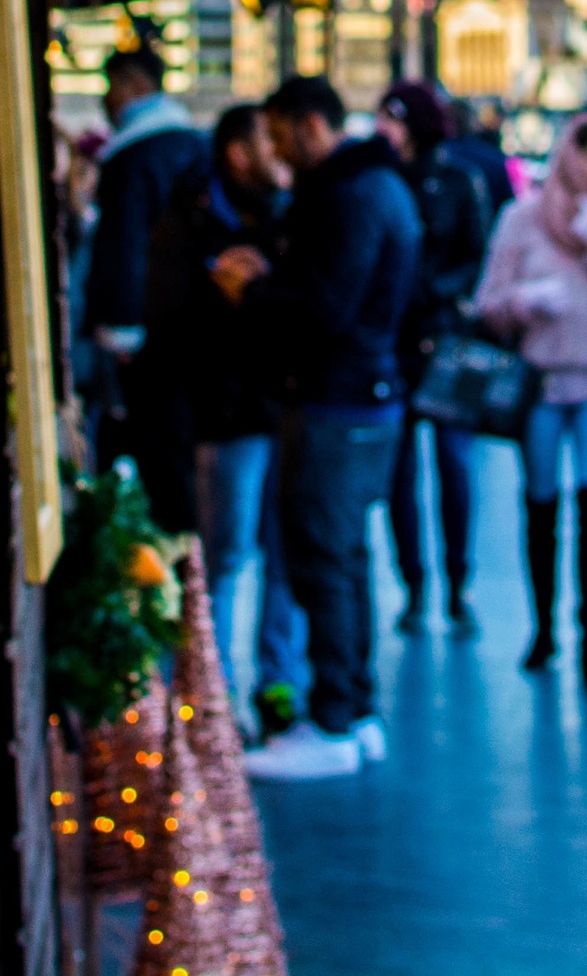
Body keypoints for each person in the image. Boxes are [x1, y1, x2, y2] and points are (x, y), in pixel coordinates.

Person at [228, 77, 422, 783]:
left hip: (337, 398)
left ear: (310, 126)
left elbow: (327, 306)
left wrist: (250, 290)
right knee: (344, 559)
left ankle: (337, 718)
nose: (276, 155)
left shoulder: (350, 195)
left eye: (279, 137)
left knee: (324, 558)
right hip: (364, 395)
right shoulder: (375, 186)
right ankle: (354, 711)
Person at [145, 105, 310, 725]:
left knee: (280, 550)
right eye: (271, 142)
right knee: (229, 553)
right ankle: (217, 695)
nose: (281, 153)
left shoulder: (289, 214)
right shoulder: (192, 219)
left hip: (279, 406)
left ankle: (277, 682)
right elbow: (170, 321)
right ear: (241, 154)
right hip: (227, 413)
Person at [472, 110, 587, 682]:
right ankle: (543, 628)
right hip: (542, 381)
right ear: (571, 157)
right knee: (540, 505)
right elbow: (488, 302)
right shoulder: (523, 218)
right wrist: (526, 301)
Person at [379, 80, 495, 631]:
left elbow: (478, 253)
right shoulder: (388, 182)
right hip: (397, 341)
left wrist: (440, 291)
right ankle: (415, 582)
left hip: (448, 341)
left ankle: (457, 581)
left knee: (454, 463)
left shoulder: (458, 181)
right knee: (401, 471)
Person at [80, 45, 211, 523]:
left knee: (157, 450)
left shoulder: (133, 157)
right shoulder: (192, 143)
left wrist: (119, 325)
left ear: (135, 85)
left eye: (111, 86)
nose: (105, 99)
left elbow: (124, 245)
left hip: (147, 333)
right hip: (185, 322)